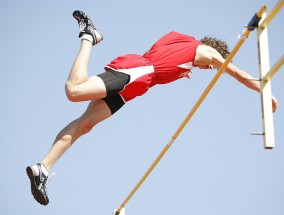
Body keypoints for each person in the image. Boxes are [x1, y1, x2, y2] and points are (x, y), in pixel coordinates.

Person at [26, 10, 278, 206]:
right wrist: (264, 90)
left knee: (85, 125)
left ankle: (42, 170)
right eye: (210, 66)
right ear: (214, 51)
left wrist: (180, 71)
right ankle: (89, 36)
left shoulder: (180, 40)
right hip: (139, 73)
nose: (209, 69)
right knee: (74, 90)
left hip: (138, 82)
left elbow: (166, 57)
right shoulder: (209, 52)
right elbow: (236, 73)